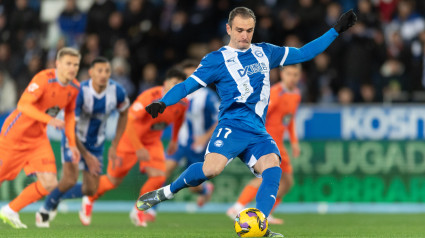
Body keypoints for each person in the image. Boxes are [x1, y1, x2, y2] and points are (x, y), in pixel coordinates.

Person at [137, 6, 356, 237]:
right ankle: (166, 192)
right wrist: (164, 101)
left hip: (258, 132)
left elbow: (303, 53)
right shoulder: (216, 60)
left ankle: (260, 225)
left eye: (249, 30)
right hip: (232, 126)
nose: (244, 36)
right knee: (211, 170)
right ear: (229, 29)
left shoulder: (265, 52)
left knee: (273, 169)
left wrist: (335, 30)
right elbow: (186, 85)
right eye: (240, 30)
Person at [79, 68, 188, 227]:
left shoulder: (183, 102)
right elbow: (129, 122)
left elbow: (180, 118)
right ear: (165, 83)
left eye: (181, 85)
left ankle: (139, 209)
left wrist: (174, 139)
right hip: (130, 140)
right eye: (174, 83)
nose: (177, 87)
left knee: (159, 176)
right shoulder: (149, 97)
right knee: (112, 181)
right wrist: (137, 147)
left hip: (152, 142)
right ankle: (89, 198)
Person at [35, 57, 130, 228]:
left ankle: (57, 195)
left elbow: (124, 113)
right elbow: (72, 126)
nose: (103, 75)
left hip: (96, 143)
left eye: (107, 71)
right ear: (91, 73)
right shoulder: (80, 92)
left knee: (90, 189)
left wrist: (115, 144)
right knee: (69, 179)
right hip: (73, 137)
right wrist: (86, 156)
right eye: (99, 71)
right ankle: (46, 208)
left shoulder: (117, 91)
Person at [0, 47, 81, 229]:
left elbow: (69, 117)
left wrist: (72, 144)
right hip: (15, 136)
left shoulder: (75, 87)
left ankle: (10, 210)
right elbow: (23, 105)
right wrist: (50, 120)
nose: (72, 68)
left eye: (76, 64)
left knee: (50, 183)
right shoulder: (44, 79)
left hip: (37, 139)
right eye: (68, 63)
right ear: (58, 64)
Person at [227, 64, 302, 225]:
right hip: (267, 142)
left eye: (295, 74)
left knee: (287, 182)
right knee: (268, 177)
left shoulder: (296, 94)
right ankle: (237, 207)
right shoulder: (275, 93)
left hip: (279, 144)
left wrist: (294, 142)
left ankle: (265, 213)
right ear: (282, 74)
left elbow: (289, 119)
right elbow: (259, 114)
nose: (292, 77)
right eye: (289, 73)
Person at [145, 60, 219, 222]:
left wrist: (204, 138)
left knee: (194, 187)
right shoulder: (177, 94)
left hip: (198, 146)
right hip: (179, 143)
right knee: (163, 172)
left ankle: (204, 189)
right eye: (187, 75)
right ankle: (152, 210)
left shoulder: (207, 95)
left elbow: (219, 119)